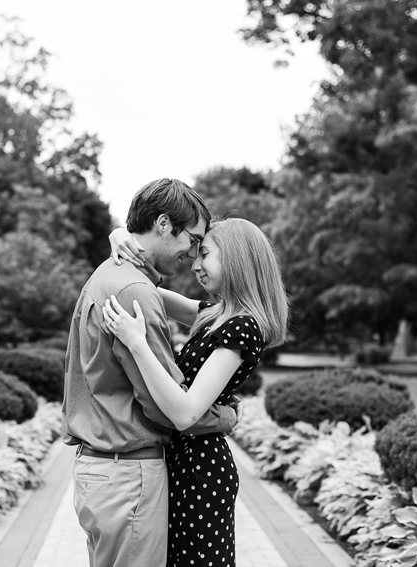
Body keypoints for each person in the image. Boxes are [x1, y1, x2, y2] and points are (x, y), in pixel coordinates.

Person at [62, 178, 240, 567]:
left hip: (100, 473)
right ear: (162, 223)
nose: (192, 255)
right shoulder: (135, 292)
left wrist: (119, 236)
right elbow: (166, 406)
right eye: (192, 240)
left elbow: (200, 312)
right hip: (128, 477)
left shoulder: (111, 274)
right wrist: (224, 417)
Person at [104, 217, 289, 567]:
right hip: (181, 460)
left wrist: (137, 343)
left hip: (200, 470)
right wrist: (121, 240)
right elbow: (142, 289)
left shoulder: (243, 326)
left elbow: (186, 413)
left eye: (205, 254)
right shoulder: (215, 314)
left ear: (236, 260)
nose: (196, 264)